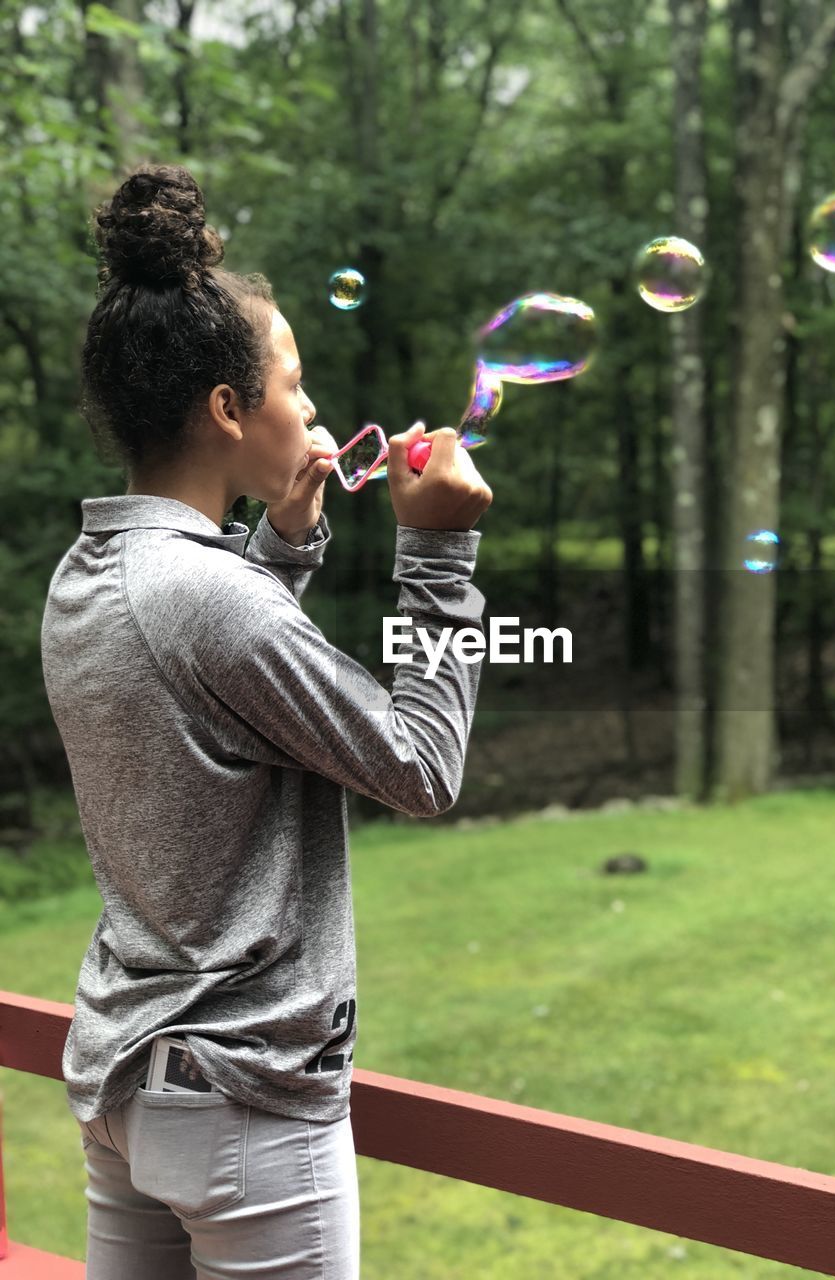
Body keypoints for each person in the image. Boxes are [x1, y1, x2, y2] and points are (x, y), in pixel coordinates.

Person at [39, 162, 492, 1280]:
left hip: (128, 1085)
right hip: (246, 1111)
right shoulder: (208, 596)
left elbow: (213, 713)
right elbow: (422, 768)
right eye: (292, 383)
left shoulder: (91, 571)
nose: (312, 408)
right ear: (229, 410)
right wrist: (439, 557)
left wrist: (282, 548)